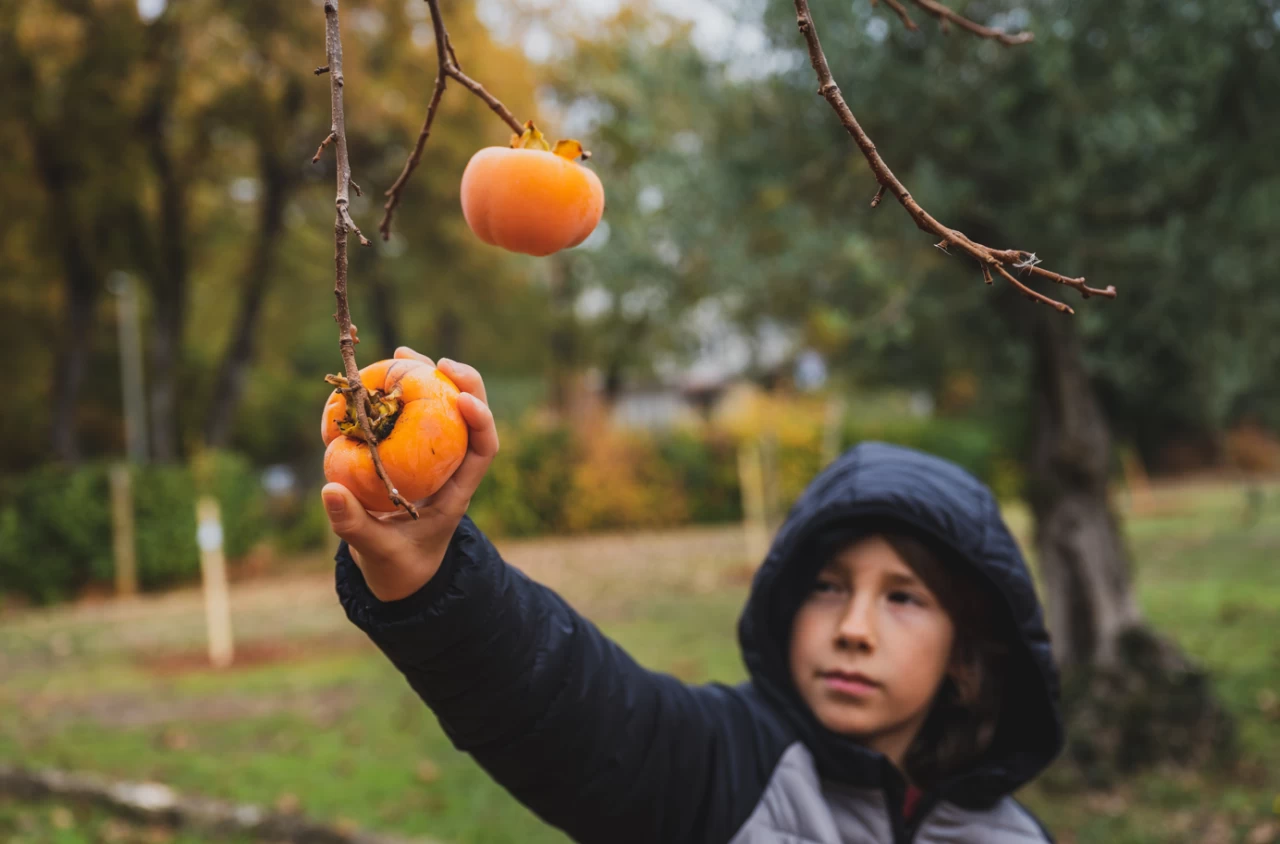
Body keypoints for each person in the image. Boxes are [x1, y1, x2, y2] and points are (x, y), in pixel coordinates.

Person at [323, 347, 1063, 844]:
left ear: (968, 645)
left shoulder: (1013, 836)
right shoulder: (723, 766)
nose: (855, 630)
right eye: (829, 588)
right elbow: (567, 708)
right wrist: (433, 571)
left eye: (905, 598)